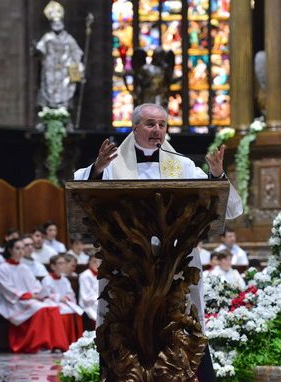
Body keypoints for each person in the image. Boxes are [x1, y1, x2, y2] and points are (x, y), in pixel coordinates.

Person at [73, 103, 243, 382]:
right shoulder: (113, 164)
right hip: (126, 260)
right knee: (123, 320)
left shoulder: (183, 165)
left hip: (175, 259)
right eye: (150, 124)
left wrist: (215, 176)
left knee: (183, 319)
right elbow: (80, 191)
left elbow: (222, 203)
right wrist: (98, 169)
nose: (157, 131)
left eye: (162, 125)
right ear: (135, 127)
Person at [0, 239, 69, 353]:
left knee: (53, 307)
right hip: (14, 302)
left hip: (29, 299)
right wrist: (29, 296)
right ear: (10, 250)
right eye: (17, 248)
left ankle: (55, 345)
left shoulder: (24, 267)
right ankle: (39, 345)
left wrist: (40, 293)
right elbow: (7, 289)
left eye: (22, 249)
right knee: (41, 309)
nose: (20, 251)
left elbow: (34, 285)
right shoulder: (3, 267)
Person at [35, 0, 83, 110]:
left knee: (65, 97)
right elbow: (39, 51)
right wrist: (36, 50)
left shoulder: (69, 39)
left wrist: (78, 68)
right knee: (48, 94)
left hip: (64, 74)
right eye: (54, 23)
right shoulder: (47, 38)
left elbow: (77, 53)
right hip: (50, 72)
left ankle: (65, 113)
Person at [42, 254, 84, 344]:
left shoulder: (64, 279)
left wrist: (67, 298)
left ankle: (72, 340)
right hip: (52, 303)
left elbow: (70, 293)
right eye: (60, 263)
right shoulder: (47, 279)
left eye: (64, 263)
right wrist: (58, 298)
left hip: (65, 302)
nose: (64, 265)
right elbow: (45, 295)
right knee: (63, 310)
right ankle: (60, 342)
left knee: (74, 310)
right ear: (53, 266)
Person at [78, 254, 101, 326]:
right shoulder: (85, 275)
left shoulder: (102, 274)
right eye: (94, 262)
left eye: (99, 262)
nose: (97, 264)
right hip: (89, 303)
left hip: (97, 299)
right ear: (89, 262)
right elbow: (85, 297)